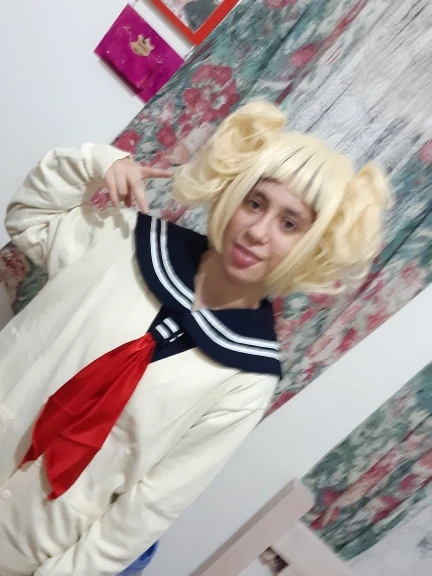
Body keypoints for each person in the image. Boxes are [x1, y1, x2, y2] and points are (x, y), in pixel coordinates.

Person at [0, 101, 389, 576]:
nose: (258, 231)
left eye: (289, 224)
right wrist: (98, 162)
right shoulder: (126, 242)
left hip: (25, 550)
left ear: (313, 245)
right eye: (255, 202)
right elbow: (30, 218)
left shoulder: (246, 380)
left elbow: (144, 512)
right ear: (233, 194)